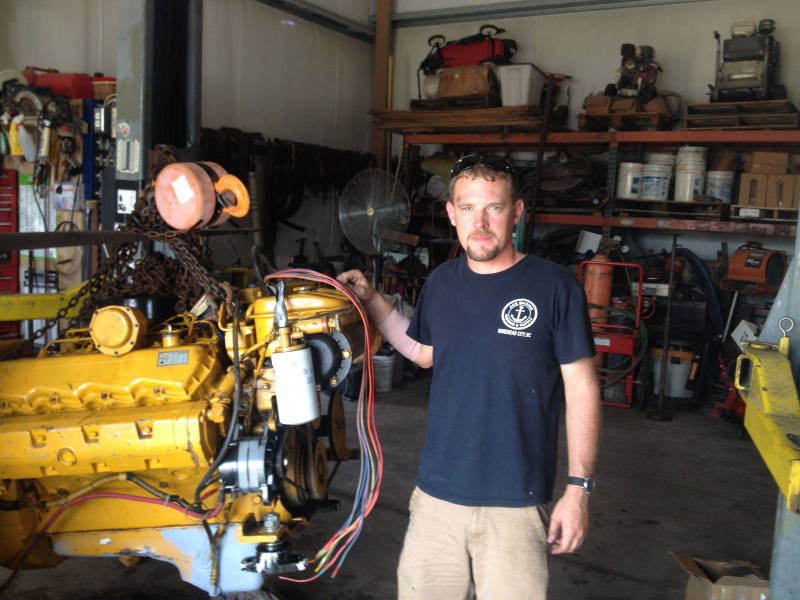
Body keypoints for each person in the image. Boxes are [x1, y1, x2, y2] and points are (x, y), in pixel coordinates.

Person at [338, 154, 601, 600]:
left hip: (516, 504)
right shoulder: (441, 283)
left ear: (517, 212)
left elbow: (581, 389)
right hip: (437, 500)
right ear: (451, 214)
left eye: (494, 208)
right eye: (467, 208)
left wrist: (578, 490)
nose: (480, 222)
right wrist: (373, 300)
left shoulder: (555, 287)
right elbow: (424, 354)